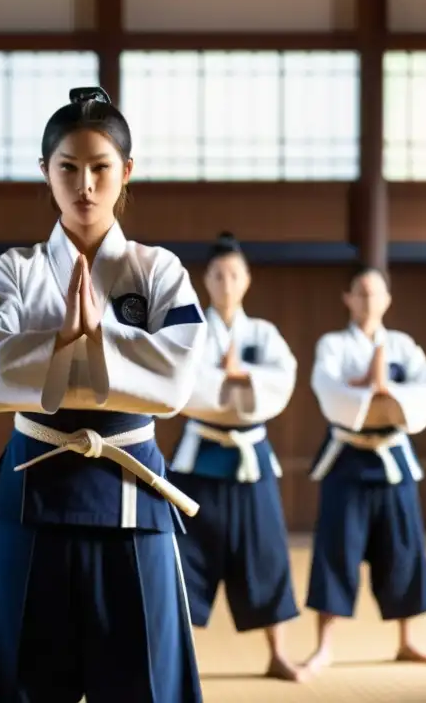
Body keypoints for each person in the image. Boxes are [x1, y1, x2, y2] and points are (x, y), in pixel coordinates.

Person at [0, 86, 207, 703]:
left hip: (132, 490)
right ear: (45, 172)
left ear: (126, 172)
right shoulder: (13, 270)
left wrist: (86, 344)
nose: (85, 185)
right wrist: (82, 344)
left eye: (100, 168)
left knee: (146, 679)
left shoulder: (158, 271)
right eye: (67, 168)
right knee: (19, 676)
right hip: (33, 486)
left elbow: (176, 378)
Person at [167, 232, 303, 681]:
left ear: (247, 280)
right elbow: (181, 384)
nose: (226, 283)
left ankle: (278, 651)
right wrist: (236, 384)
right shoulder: (190, 331)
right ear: (205, 280)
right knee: (184, 556)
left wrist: (238, 377)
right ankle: (177, 657)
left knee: (267, 552)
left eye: (234, 275)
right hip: (199, 456)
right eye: (219, 275)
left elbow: (282, 379)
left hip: (251, 457)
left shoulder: (263, 333)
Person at [302, 264, 426, 673]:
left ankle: (406, 640)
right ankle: (324, 645)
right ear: (347, 298)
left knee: (403, 549)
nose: (368, 300)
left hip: (394, 460)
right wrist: (371, 389)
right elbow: (330, 391)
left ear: (388, 300)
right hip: (346, 459)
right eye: (360, 293)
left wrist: (381, 392)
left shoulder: (403, 345)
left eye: (375, 293)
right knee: (335, 551)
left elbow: (424, 391)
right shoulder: (333, 345)